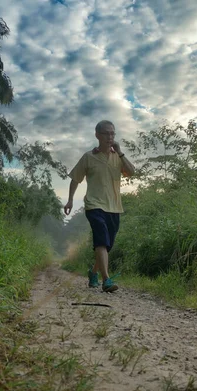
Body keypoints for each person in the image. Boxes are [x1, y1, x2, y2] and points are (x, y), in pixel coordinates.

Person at [64, 120, 135, 293]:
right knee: (101, 240)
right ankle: (106, 280)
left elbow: (131, 172)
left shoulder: (118, 157)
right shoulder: (89, 157)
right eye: (106, 133)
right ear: (97, 135)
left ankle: (93, 272)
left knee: (106, 245)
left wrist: (120, 153)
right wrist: (70, 200)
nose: (110, 137)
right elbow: (75, 179)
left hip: (114, 207)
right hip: (94, 205)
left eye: (112, 133)